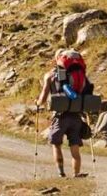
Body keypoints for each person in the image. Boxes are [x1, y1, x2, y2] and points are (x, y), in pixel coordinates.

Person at [35, 48, 92, 178]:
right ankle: (76, 173)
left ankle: (61, 173)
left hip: (60, 117)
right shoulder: (78, 72)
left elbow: (43, 98)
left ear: (57, 59)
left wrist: (37, 103)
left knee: (56, 144)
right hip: (76, 115)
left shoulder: (50, 75)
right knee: (75, 147)